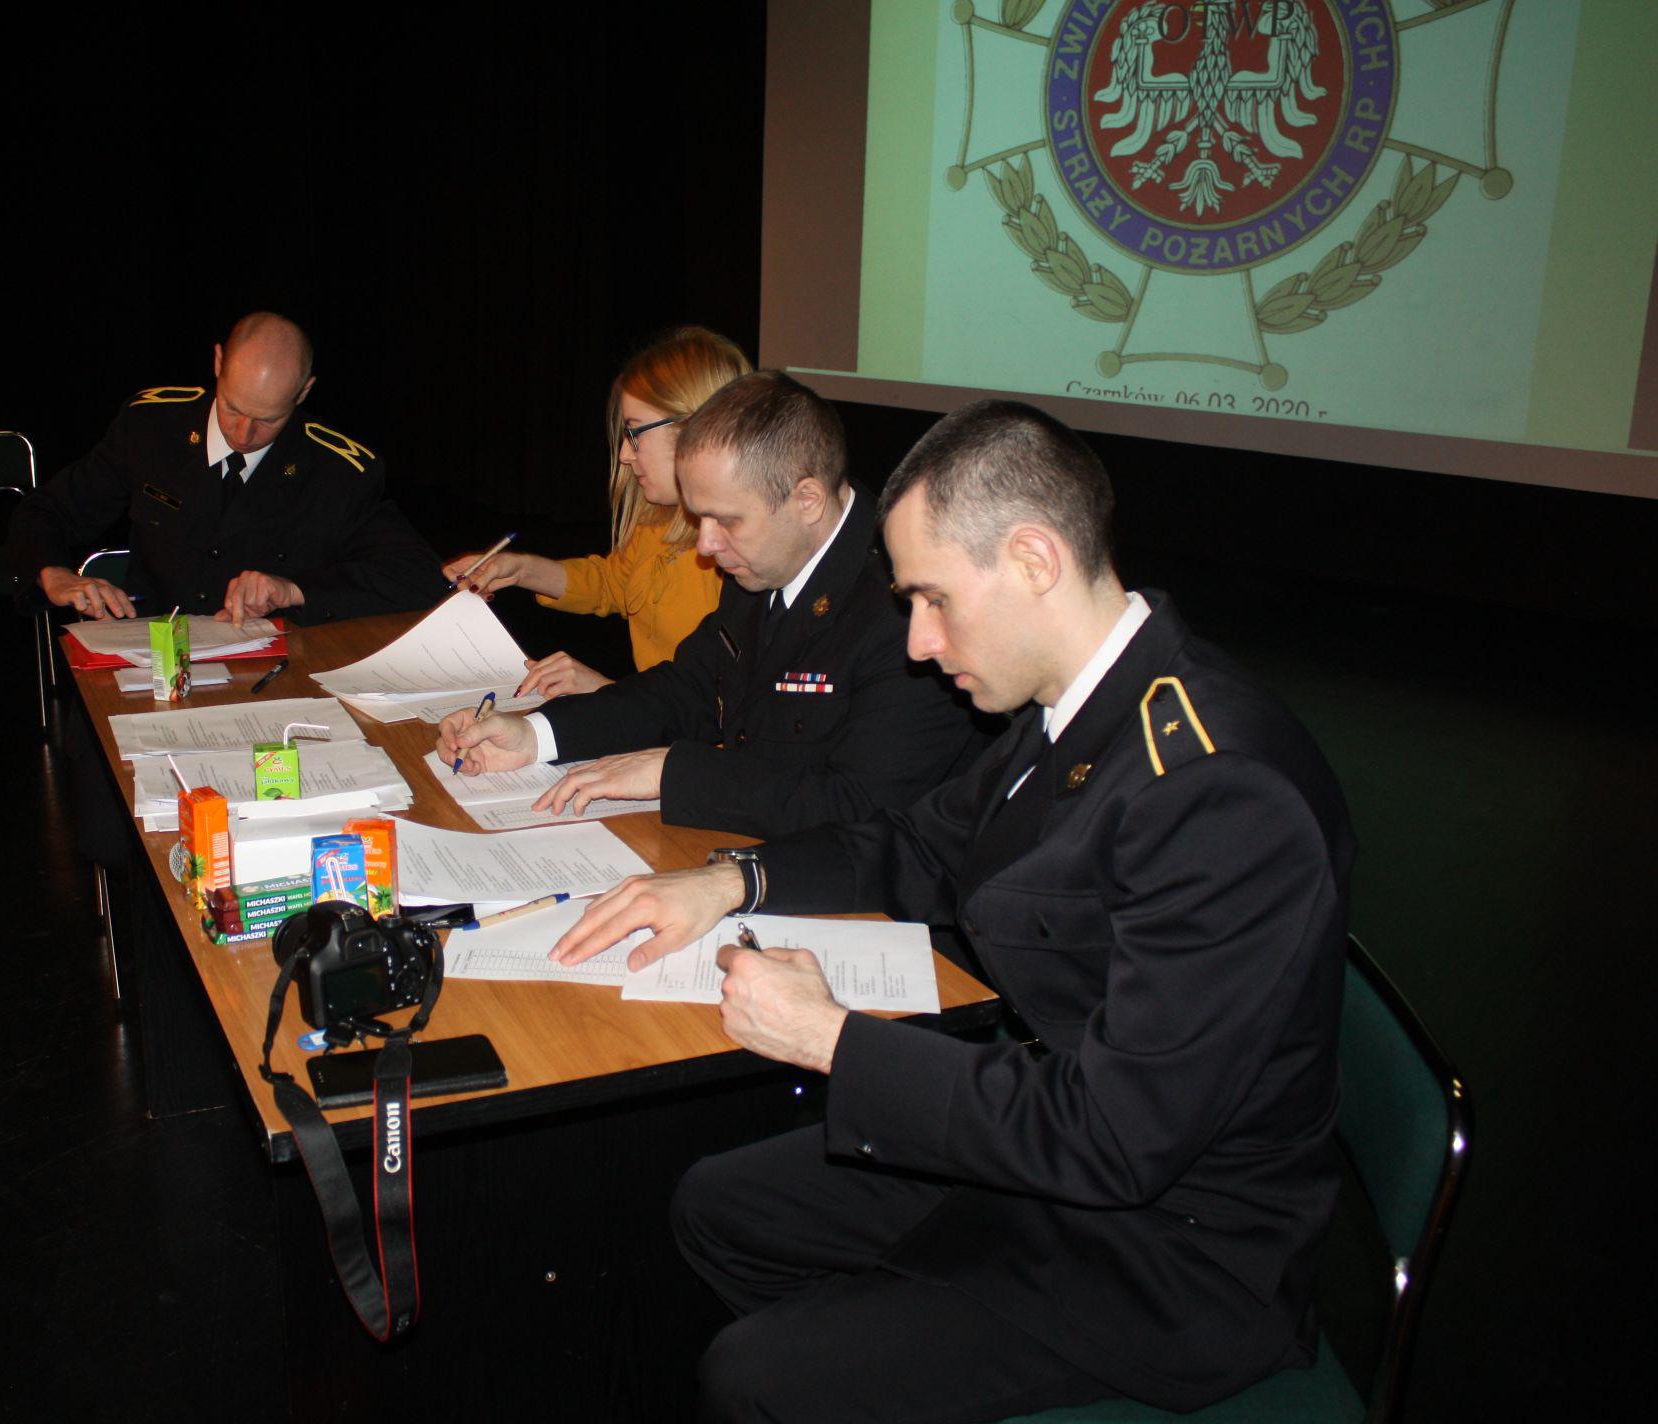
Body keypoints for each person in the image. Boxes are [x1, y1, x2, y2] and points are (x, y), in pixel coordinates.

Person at [548, 401, 1357, 1421]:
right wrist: (730, 881)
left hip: (1170, 1250)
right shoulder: (1075, 706)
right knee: (720, 1205)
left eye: (933, 598)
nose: (920, 643)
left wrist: (833, 1039)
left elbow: (1116, 1135)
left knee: (754, 1376)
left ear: (1033, 559)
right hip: (1050, 1155)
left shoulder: (1218, 790)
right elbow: (921, 844)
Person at [437, 371, 991, 841]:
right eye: (700, 517)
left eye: (725, 520)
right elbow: (688, 687)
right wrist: (535, 736)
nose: (705, 545)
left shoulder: (907, 606)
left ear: (807, 500)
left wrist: (675, 773)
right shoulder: (762, 557)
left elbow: (863, 807)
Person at [8, 311, 446, 625]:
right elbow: (46, 511)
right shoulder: (151, 429)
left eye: (268, 419)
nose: (244, 432)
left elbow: (417, 575)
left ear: (303, 392)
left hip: (274, 670)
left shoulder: (336, 471)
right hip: (155, 657)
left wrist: (293, 590)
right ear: (218, 363)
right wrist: (53, 573)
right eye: (233, 407)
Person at [443, 326, 748, 698]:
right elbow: (614, 583)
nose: (624, 454)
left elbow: (724, 713)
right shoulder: (659, 519)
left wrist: (604, 691)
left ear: (696, 428)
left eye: (634, 433)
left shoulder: (742, 561)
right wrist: (519, 569)